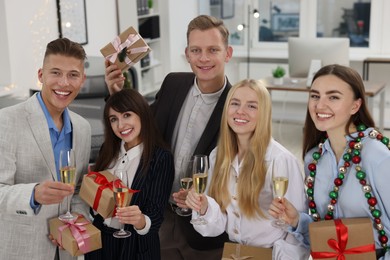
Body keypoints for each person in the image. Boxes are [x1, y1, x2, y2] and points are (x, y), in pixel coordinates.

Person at [104, 15, 233, 259]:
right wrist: (117, 95)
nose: (203, 58)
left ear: (227, 53)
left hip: (204, 232)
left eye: (213, 50)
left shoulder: (237, 105)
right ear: (187, 53)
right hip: (158, 219)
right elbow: (144, 126)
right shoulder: (173, 83)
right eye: (196, 50)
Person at [268, 64, 390, 259]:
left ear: (355, 106)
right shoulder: (313, 159)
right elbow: (324, 232)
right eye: (315, 96)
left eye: (333, 97)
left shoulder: (377, 156)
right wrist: (297, 220)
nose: (319, 105)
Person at [185, 79, 310, 259]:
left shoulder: (281, 160)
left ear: (264, 114)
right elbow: (218, 225)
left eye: (252, 106)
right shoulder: (218, 155)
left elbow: (296, 234)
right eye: (234, 103)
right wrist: (204, 207)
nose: (240, 111)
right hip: (234, 253)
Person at [0, 38, 91, 260]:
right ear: (41, 75)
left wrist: (76, 218)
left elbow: (79, 189)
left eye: (73, 75)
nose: (64, 83)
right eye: (56, 73)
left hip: (67, 249)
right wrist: (33, 194)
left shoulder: (83, 128)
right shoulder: (7, 121)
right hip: (23, 250)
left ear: (82, 80)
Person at [84, 88, 175, 260]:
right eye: (114, 119)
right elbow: (94, 202)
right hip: (100, 243)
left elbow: (155, 216)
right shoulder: (107, 150)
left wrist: (139, 219)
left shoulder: (161, 158)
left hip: (136, 247)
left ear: (141, 114)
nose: (121, 125)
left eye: (127, 115)